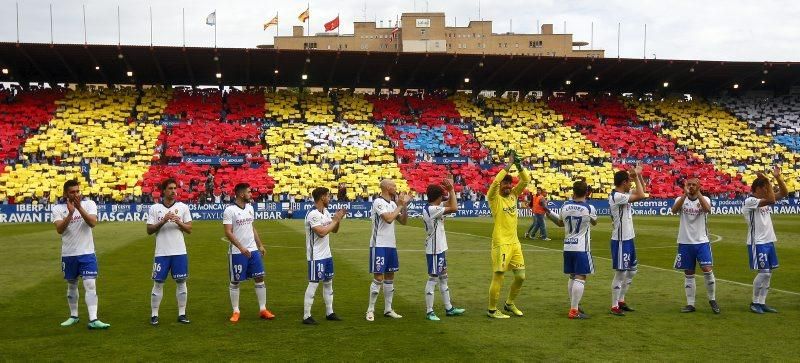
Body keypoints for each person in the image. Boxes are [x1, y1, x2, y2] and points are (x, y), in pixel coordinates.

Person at [52, 179, 110, 329]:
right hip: (69, 253)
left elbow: (92, 223)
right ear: (65, 193)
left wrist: (79, 208)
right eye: (72, 192)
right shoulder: (58, 209)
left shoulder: (89, 204)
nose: (76, 194)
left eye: (78, 191)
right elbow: (59, 229)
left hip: (87, 252)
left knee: (90, 284)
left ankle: (93, 319)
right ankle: (74, 316)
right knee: (72, 285)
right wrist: (71, 213)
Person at [486, 150, 531, 319]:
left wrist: (518, 165)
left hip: (514, 243)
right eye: (504, 184)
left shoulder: (514, 195)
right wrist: (509, 165)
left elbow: (525, 180)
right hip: (501, 243)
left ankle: (509, 303)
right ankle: (492, 310)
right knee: (499, 276)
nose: (507, 186)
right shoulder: (494, 198)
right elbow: (495, 183)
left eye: (509, 184)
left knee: (520, 276)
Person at [545, 180, 597, 319]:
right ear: (587, 192)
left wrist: (548, 212)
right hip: (581, 247)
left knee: (572, 276)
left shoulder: (565, 205)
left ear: (573, 192)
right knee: (581, 276)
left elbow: (560, 223)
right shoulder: (590, 208)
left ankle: (574, 304)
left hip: (568, 246)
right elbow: (594, 222)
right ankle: (574, 310)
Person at [223, 183, 275, 322]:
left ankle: (263, 309)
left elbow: (252, 227)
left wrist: (260, 245)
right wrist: (241, 247)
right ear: (241, 194)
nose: (251, 194)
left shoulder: (250, 208)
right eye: (249, 192)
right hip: (237, 252)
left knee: (259, 278)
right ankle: (236, 311)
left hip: (253, 250)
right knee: (235, 281)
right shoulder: (230, 210)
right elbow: (228, 232)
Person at [146, 178, 193, 325]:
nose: (173, 191)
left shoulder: (183, 207)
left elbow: (189, 229)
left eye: (175, 188)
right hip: (162, 252)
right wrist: (163, 220)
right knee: (158, 283)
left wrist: (178, 221)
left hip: (179, 251)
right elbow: (149, 230)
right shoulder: (155, 209)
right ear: (163, 191)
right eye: (170, 188)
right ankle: (154, 315)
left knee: (181, 281)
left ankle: (182, 313)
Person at [671, 177, 719, 314]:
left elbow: (708, 209)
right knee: (689, 273)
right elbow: (674, 210)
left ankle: (712, 299)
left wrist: (698, 194)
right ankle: (690, 304)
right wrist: (685, 194)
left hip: (701, 242)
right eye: (689, 184)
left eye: (694, 185)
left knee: (707, 270)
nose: (691, 186)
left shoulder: (705, 199)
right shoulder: (681, 199)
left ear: (699, 186)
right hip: (685, 242)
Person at [743, 166, 788, 314]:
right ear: (756, 189)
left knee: (769, 273)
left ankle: (762, 302)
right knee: (764, 273)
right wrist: (768, 181)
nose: (766, 190)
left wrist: (778, 178)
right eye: (763, 188)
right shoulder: (750, 201)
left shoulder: (764, 199)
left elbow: (784, 193)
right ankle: (754, 302)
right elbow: (772, 200)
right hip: (757, 242)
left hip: (768, 241)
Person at [365, 179, 411, 321]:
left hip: (391, 245)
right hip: (379, 244)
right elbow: (389, 219)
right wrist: (400, 205)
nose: (396, 188)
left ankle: (388, 309)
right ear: (386, 187)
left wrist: (404, 207)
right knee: (378, 278)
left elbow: (403, 221)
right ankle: (370, 310)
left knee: (390, 277)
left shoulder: (392, 204)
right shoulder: (378, 202)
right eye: (393, 186)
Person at [422, 178, 466, 321]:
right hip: (434, 249)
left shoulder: (434, 207)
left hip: (440, 248)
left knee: (443, 278)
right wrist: (452, 189)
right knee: (433, 278)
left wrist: (450, 190)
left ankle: (449, 308)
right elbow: (454, 208)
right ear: (438, 197)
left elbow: (450, 204)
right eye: (442, 195)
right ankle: (429, 312)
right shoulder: (432, 209)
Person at [302, 187, 346, 325]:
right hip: (316, 255)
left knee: (328, 282)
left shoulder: (325, 212)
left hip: (326, 254)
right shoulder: (312, 214)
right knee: (314, 283)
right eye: (328, 196)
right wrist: (334, 220)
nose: (330, 198)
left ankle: (329, 312)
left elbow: (334, 231)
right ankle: (306, 315)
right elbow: (321, 232)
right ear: (322, 197)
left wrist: (337, 220)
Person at [608, 164, 647, 316]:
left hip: (629, 238)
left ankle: (621, 300)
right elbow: (642, 196)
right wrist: (635, 176)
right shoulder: (617, 196)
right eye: (629, 180)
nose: (631, 182)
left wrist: (639, 175)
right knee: (621, 272)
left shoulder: (623, 194)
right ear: (624, 182)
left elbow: (642, 189)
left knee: (632, 270)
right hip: (620, 240)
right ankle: (614, 305)